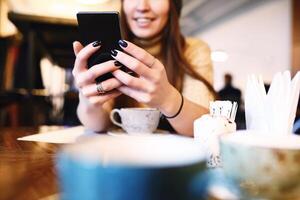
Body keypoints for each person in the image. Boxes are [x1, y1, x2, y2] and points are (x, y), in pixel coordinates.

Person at [72, 0, 215, 137]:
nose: (142, 6)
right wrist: (88, 101)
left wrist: (168, 99)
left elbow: (203, 124)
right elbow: (98, 125)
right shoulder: (108, 50)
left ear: (173, 4)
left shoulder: (193, 49)